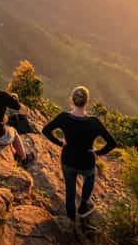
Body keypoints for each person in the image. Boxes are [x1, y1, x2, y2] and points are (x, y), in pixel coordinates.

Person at [42, 86, 117, 221]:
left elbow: (46, 130)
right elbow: (112, 143)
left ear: (72, 100)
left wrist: (60, 143)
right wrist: (97, 153)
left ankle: (71, 220)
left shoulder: (63, 117)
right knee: (90, 176)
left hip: (68, 160)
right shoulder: (94, 122)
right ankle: (83, 207)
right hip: (86, 161)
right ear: (86, 101)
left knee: (70, 191)